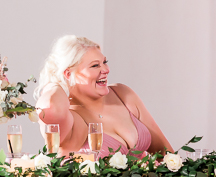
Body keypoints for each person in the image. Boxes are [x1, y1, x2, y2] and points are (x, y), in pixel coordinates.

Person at [34, 35, 172, 157]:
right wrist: (53, 83)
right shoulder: (70, 118)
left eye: (104, 62)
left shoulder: (122, 94)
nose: (106, 70)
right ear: (68, 74)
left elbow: (166, 154)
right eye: (95, 66)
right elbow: (50, 107)